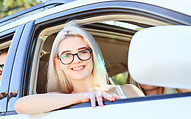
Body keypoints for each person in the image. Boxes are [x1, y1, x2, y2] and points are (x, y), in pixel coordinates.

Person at [14, 22, 144, 114]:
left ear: (92, 55)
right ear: (58, 63)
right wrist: (82, 97)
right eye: (66, 55)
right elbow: (20, 105)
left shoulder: (128, 91)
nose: (76, 60)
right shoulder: (60, 99)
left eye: (82, 52)